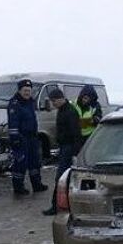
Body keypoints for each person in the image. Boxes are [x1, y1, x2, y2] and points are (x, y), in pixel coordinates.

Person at [42, 88, 81, 216]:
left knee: (61, 178)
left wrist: (75, 152)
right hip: (65, 147)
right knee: (64, 178)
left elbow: (76, 133)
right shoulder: (63, 110)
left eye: (54, 101)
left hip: (69, 148)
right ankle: (62, 204)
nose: (53, 104)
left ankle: (57, 206)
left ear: (60, 98)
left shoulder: (70, 112)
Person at [7, 79, 49, 195]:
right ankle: (18, 187)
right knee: (20, 163)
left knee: (35, 162)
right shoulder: (15, 104)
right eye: (25, 90)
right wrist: (15, 139)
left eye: (29, 91)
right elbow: (13, 123)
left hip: (32, 137)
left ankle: (37, 184)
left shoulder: (30, 102)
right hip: (21, 138)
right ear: (20, 91)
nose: (27, 93)